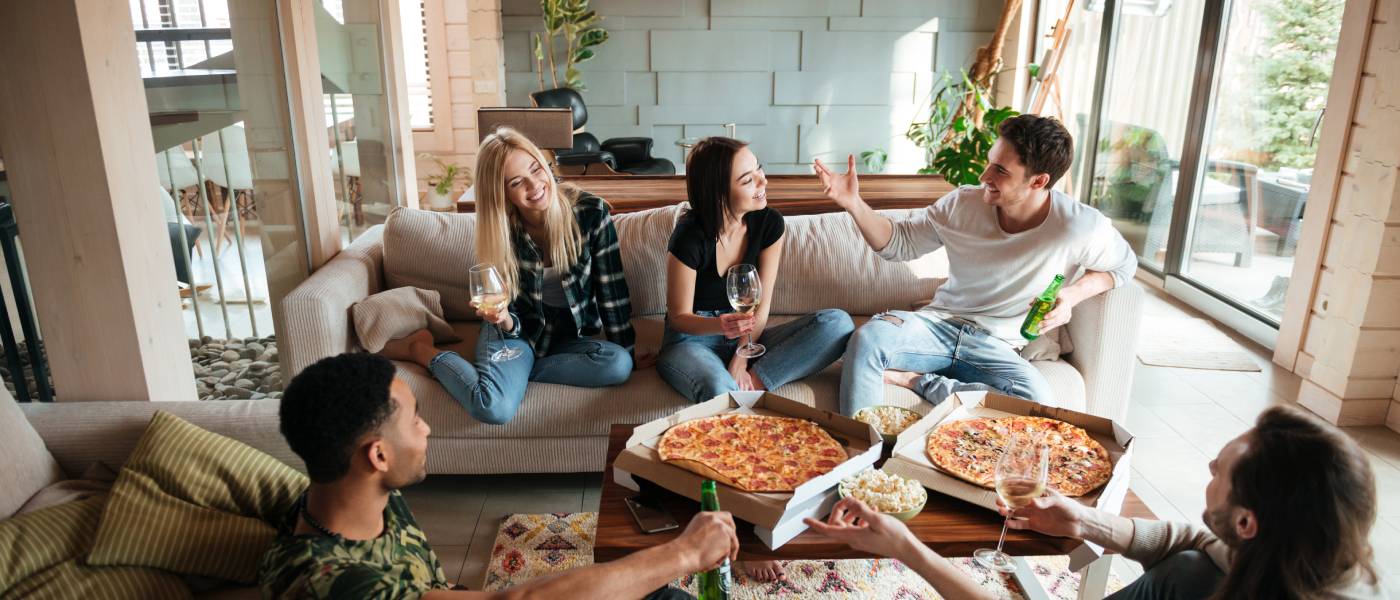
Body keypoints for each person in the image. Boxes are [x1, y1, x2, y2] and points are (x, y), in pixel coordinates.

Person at [259, 352, 738, 600]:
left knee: (644, 589)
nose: (426, 429)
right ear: (378, 455)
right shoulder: (334, 585)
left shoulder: (352, 497)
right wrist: (686, 551)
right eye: (414, 420)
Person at [808, 405, 1385, 599]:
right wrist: (1083, 518)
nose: (1207, 468)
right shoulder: (1304, 552)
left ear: (1248, 520)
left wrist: (907, 547)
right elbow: (1200, 542)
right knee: (1187, 567)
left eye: (1219, 471)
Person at [815, 114, 1137, 415]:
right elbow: (898, 243)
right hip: (937, 327)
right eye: (989, 163)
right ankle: (863, 462)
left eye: (1000, 171)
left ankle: (917, 381)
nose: (984, 177)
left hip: (998, 346)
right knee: (868, 340)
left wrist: (1075, 294)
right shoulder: (962, 204)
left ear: (1038, 181)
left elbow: (1124, 266)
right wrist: (853, 203)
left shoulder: (1078, 226)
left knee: (1037, 402)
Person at [657, 136, 854, 583]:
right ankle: (742, 532)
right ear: (719, 192)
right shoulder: (690, 236)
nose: (763, 181)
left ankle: (750, 387)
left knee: (837, 323)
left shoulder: (769, 224)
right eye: (748, 179)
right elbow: (679, 317)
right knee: (718, 394)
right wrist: (721, 332)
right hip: (693, 340)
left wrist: (743, 359)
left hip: (745, 338)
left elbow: (759, 310)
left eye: (759, 169)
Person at [381, 127, 651, 425]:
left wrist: (628, 348)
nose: (535, 185)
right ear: (502, 192)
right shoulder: (500, 231)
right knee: (493, 408)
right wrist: (502, 319)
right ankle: (421, 349)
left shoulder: (591, 213)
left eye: (536, 169)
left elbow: (612, 292)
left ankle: (520, 374)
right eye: (516, 182)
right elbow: (509, 314)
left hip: (569, 337)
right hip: (516, 334)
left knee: (618, 365)